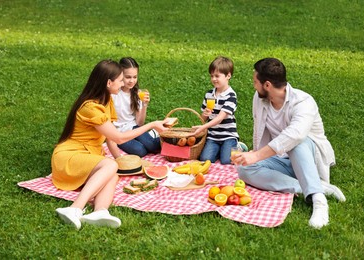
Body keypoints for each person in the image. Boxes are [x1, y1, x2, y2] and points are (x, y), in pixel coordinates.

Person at [52, 59, 168, 229]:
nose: (123, 83)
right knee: (109, 166)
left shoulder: (106, 102)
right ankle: (75, 208)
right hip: (68, 156)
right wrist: (151, 125)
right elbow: (119, 137)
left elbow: (110, 138)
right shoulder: (90, 107)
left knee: (113, 172)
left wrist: (120, 160)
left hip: (88, 155)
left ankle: (100, 211)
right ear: (108, 82)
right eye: (121, 80)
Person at [232, 58, 346, 229]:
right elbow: (259, 130)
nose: (254, 85)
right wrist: (253, 157)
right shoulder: (259, 98)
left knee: (296, 143)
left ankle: (319, 201)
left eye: (256, 81)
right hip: (282, 158)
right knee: (244, 168)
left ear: (268, 85)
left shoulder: (303, 102)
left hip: (309, 158)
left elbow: (294, 136)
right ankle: (312, 187)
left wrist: (256, 155)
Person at [107, 57, 160, 158]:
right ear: (120, 75)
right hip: (119, 133)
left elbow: (140, 123)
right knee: (140, 151)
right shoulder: (113, 93)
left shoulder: (137, 93)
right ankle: (152, 135)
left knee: (153, 146)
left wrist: (144, 105)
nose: (132, 81)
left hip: (133, 128)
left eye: (135, 77)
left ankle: (160, 136)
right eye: (128, 77)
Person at [192, 56, 239, 165]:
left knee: (227, 161)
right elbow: (203, 119)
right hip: (213, 136)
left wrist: (202, 128)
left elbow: (219, 118)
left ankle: (238, 146)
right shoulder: (209, 94)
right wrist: (204, 114)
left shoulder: (231, 95)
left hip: (228, 135)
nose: (213, 79)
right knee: (205, 159)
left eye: (217, 76)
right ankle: (220, 150)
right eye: (212, 76)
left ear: (228, 76)